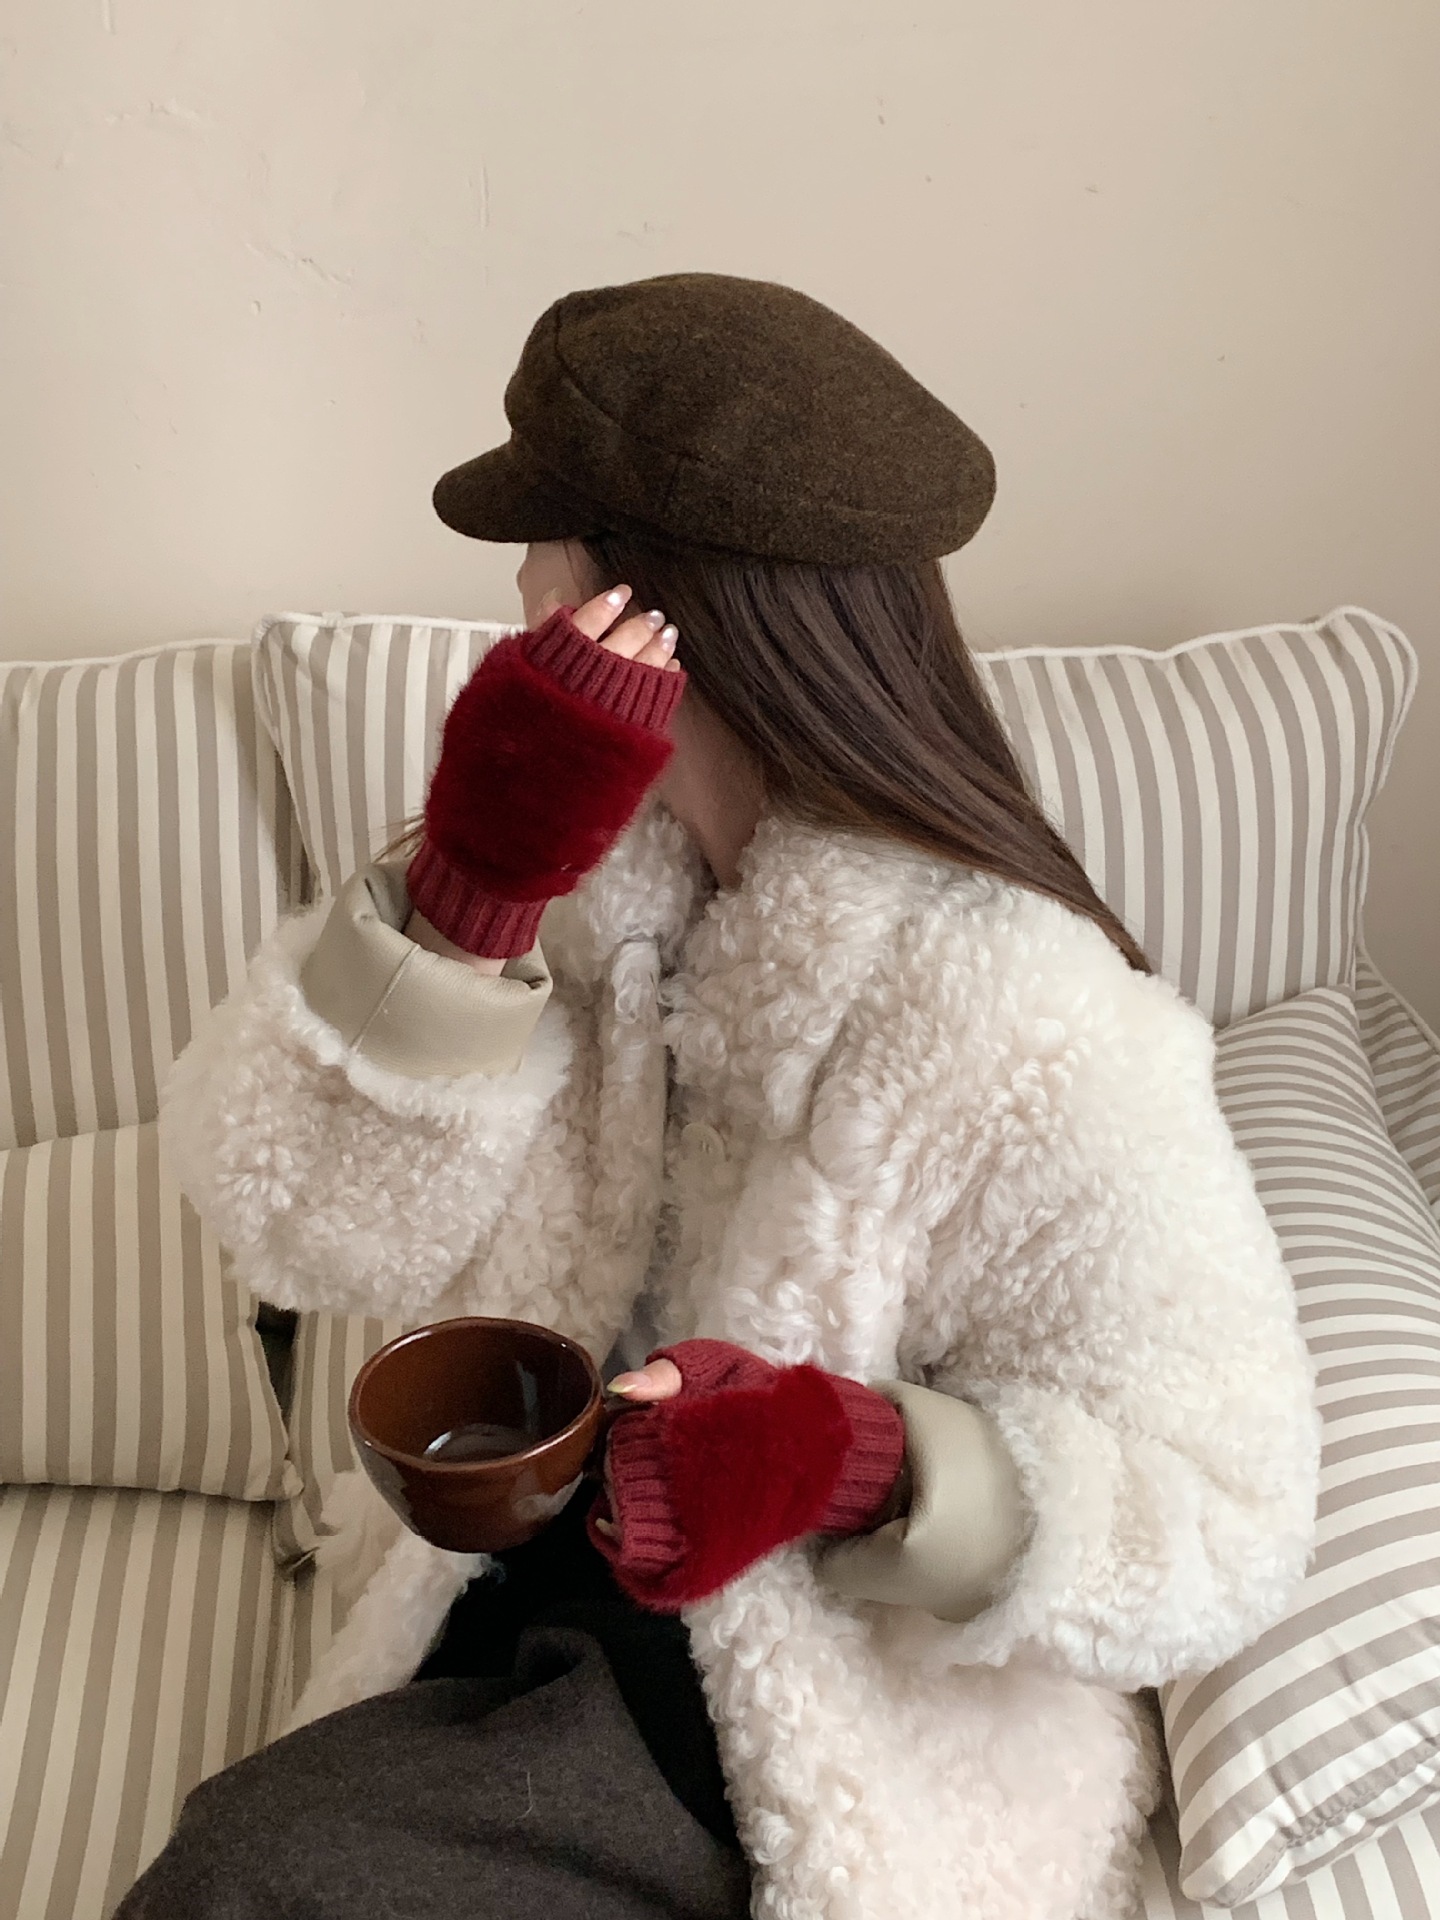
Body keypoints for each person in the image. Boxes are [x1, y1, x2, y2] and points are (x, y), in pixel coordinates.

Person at [123, 272, 1320, 1920]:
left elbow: (1229, 1510)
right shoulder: (570, 871)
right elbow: (302, 1230)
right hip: (531, 1600)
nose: (517, 588)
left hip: (814, 1712)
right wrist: (468, 897)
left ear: (639, 598)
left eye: (538, 541)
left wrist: (857, 1460)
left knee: (249, 1881)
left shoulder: (1028, 1015)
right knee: (250, 1864)